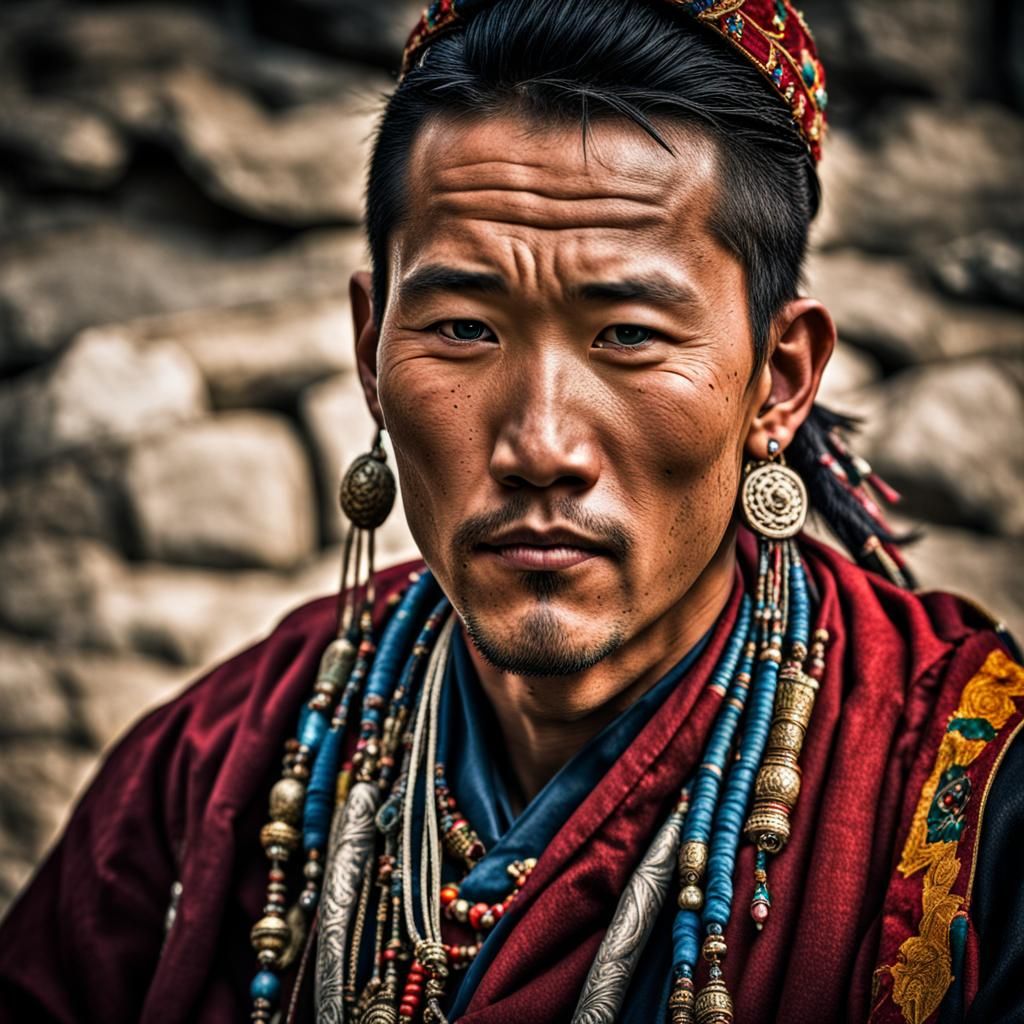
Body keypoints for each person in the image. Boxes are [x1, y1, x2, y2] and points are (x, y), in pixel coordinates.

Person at [1, 1, 1021, 1022]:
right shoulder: (221, 766)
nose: (539, 446)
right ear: (369, 351)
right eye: (460, 327)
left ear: (778, 382)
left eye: (626, 334)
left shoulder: (975, 805)